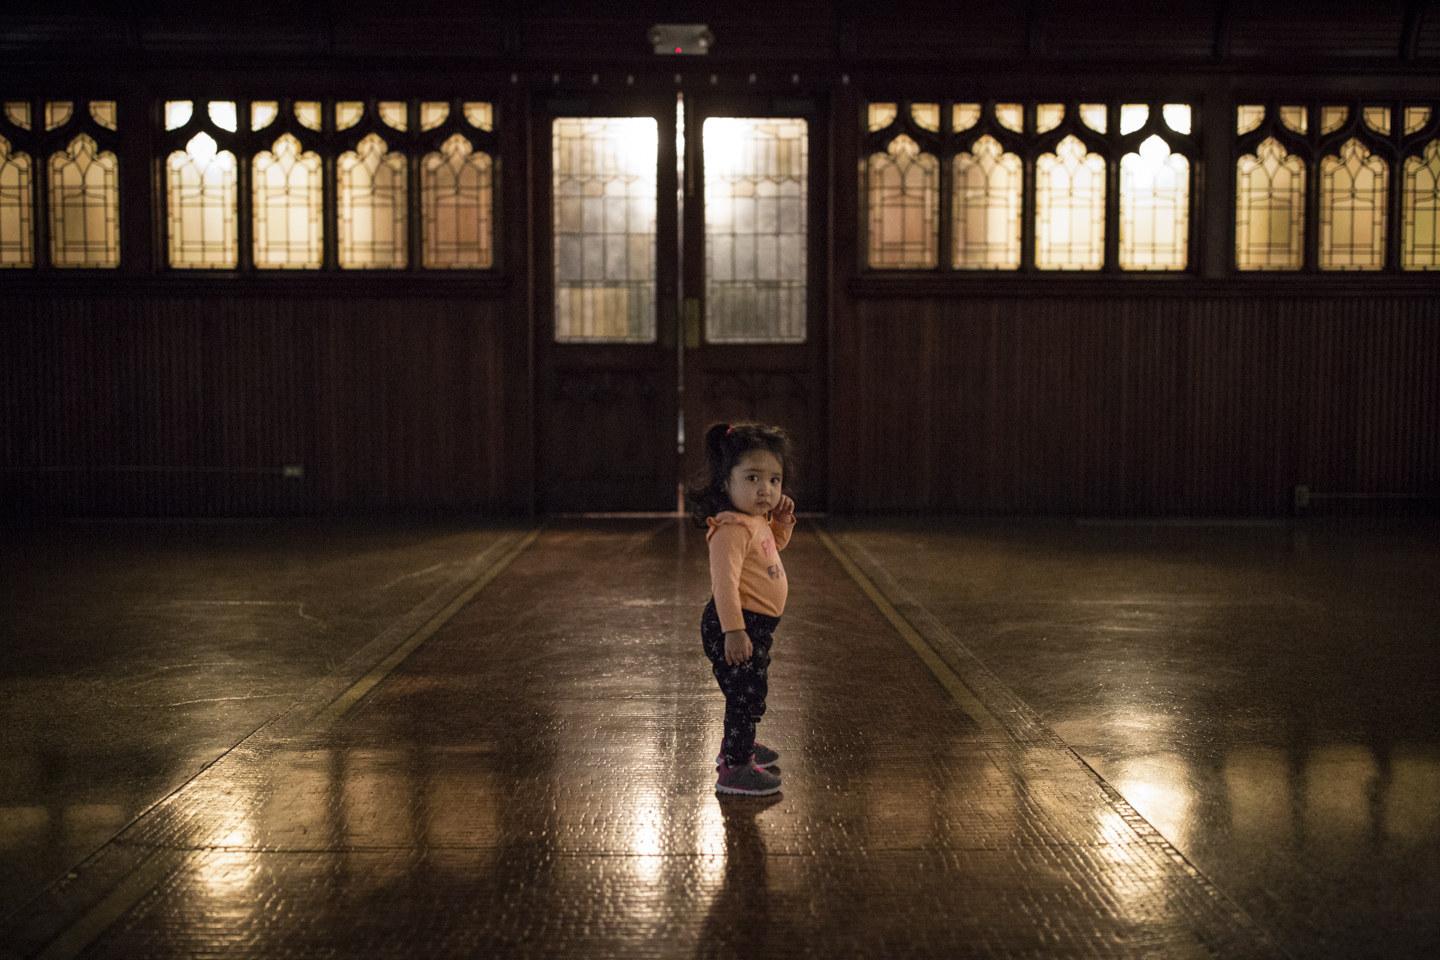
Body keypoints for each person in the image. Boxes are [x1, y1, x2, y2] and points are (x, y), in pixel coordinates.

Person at [687, 422, 796, 797]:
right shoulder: (730, 529)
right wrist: (734, 630)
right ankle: (734, 767)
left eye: (774, 480)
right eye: (752, 478)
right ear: (725, 483)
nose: (765, 489)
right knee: (745, 693)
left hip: (755, 624)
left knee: (750, 688)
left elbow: (771, 549)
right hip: (736, 623)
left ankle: (740, 745)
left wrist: (781, 521)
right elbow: (724, 585)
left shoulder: (755, 520)